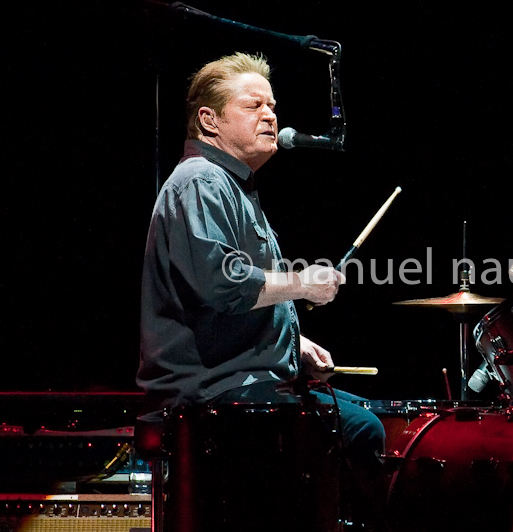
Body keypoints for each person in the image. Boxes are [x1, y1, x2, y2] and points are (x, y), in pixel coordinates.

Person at [136, 52, 386, 529]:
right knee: (363, 430)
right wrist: (301, 284)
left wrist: (292, 342)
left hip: (243, 380)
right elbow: (221, 283)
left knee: (370, 416)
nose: (271, 116)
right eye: (254, 106)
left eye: (272, 106)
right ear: (209, 120)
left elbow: (228, 302)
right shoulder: (200, 181)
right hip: (212, 393)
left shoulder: (232, 185)